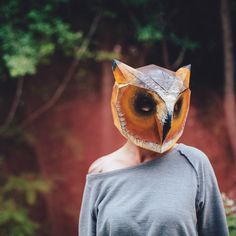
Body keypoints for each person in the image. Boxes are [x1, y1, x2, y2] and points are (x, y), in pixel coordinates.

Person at [78, 60, 229, 236]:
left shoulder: (194, 164)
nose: (164, 120)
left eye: (175, 106)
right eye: (145, 104)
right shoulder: (101, 173)